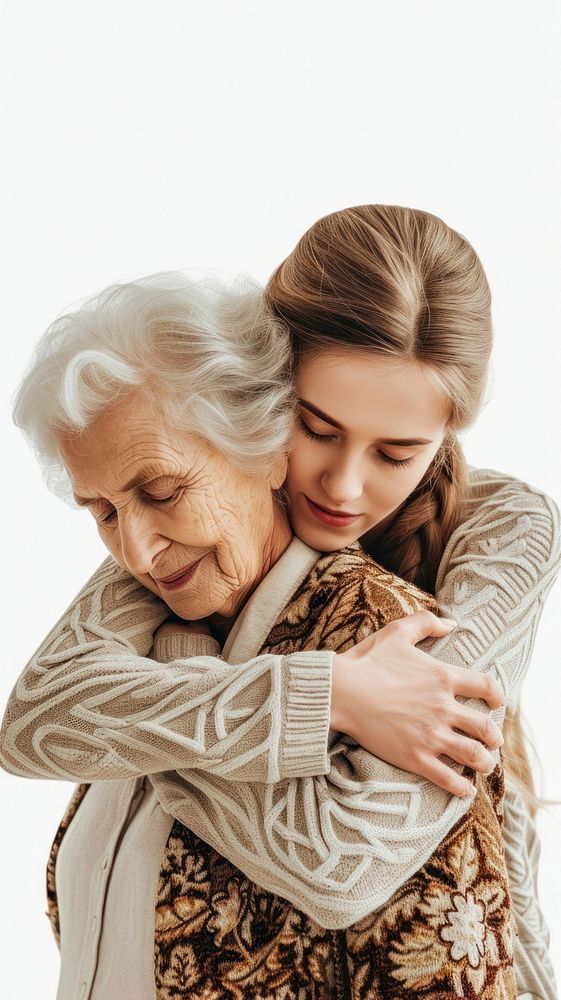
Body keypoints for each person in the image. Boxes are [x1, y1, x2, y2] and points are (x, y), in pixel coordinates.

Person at [1, 207, 558, 996]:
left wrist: (184, 710)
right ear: (261, 405)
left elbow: (349, 864)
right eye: (316, 427)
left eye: (396, 453)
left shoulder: (485, 549)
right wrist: (321, 693)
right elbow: (38, 717)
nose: (343, 488)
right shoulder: (177, 566)